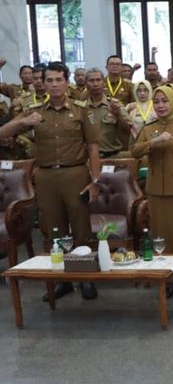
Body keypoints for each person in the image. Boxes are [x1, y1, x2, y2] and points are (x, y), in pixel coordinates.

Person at [5, 62, 101, 300]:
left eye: (59, 79)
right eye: (50, 80)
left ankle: (85, 279)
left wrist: (95, 181)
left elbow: (93, 148)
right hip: (46, 177)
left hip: (76, 174)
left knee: (81, 230)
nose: (55, 84)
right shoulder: (34, 111)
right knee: (53, 232)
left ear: (66, 82)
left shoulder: (81, 110)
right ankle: (61, 280)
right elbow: (3, 132)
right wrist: (23, 123)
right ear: (43, 83)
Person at [131, 85, 173, 258]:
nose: (160, 105)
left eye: (165, 101)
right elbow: (135, 151)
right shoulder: (149, 128)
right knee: (159, 234)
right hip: (155, 191)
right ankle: (165, 276)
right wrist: (154, 143)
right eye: (156, 102)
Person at [82, 68, 131, 158]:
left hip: (113, 155)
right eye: (91, 81)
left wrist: (118, 115)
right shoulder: (81, 108)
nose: (95, 84)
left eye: (98, 80)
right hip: (89, 157)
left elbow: (127, 131)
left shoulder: (115, 104)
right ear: (86, 84)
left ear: (103, 82)